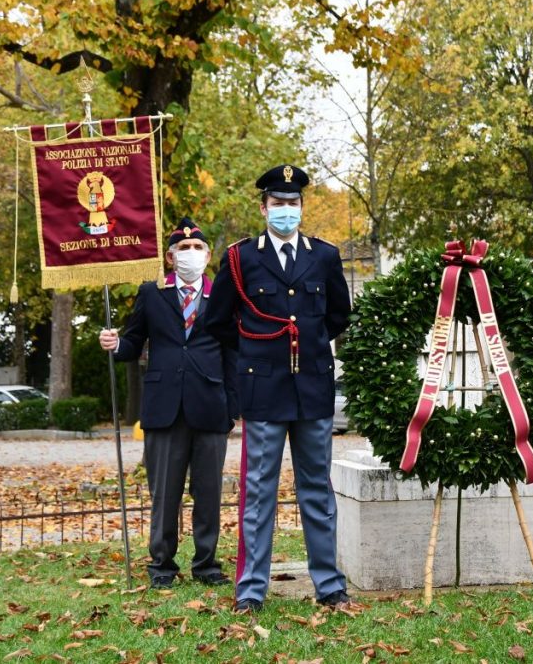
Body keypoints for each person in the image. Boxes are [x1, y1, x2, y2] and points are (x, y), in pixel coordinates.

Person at [207, 164, 352, 613]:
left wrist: (304, 345)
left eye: (293, 203)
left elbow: (338, 316)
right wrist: (256, 354)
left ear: (302, 207)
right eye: (278, 203)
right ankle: (251, 590)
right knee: (258, 494)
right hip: (263, 391)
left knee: (317, 490)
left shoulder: (324, 255)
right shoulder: (240, 257)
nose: (286, 211)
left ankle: (329, 586)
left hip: (312, 387)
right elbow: (219, 322)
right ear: (264, 206)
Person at [99, 217, 238, 589]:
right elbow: (132, 342)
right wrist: (115, 345)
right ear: (169, 256)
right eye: (182, 249)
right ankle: (162, 564)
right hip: (164, 407)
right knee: (165, 492)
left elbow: (233, 354)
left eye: (197, 248)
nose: (189, 254)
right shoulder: (152, 292)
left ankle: (206, 564)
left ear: (208, 255)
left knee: (208, 492)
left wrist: (232, 408)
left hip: (210, 405)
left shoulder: (222, 294)